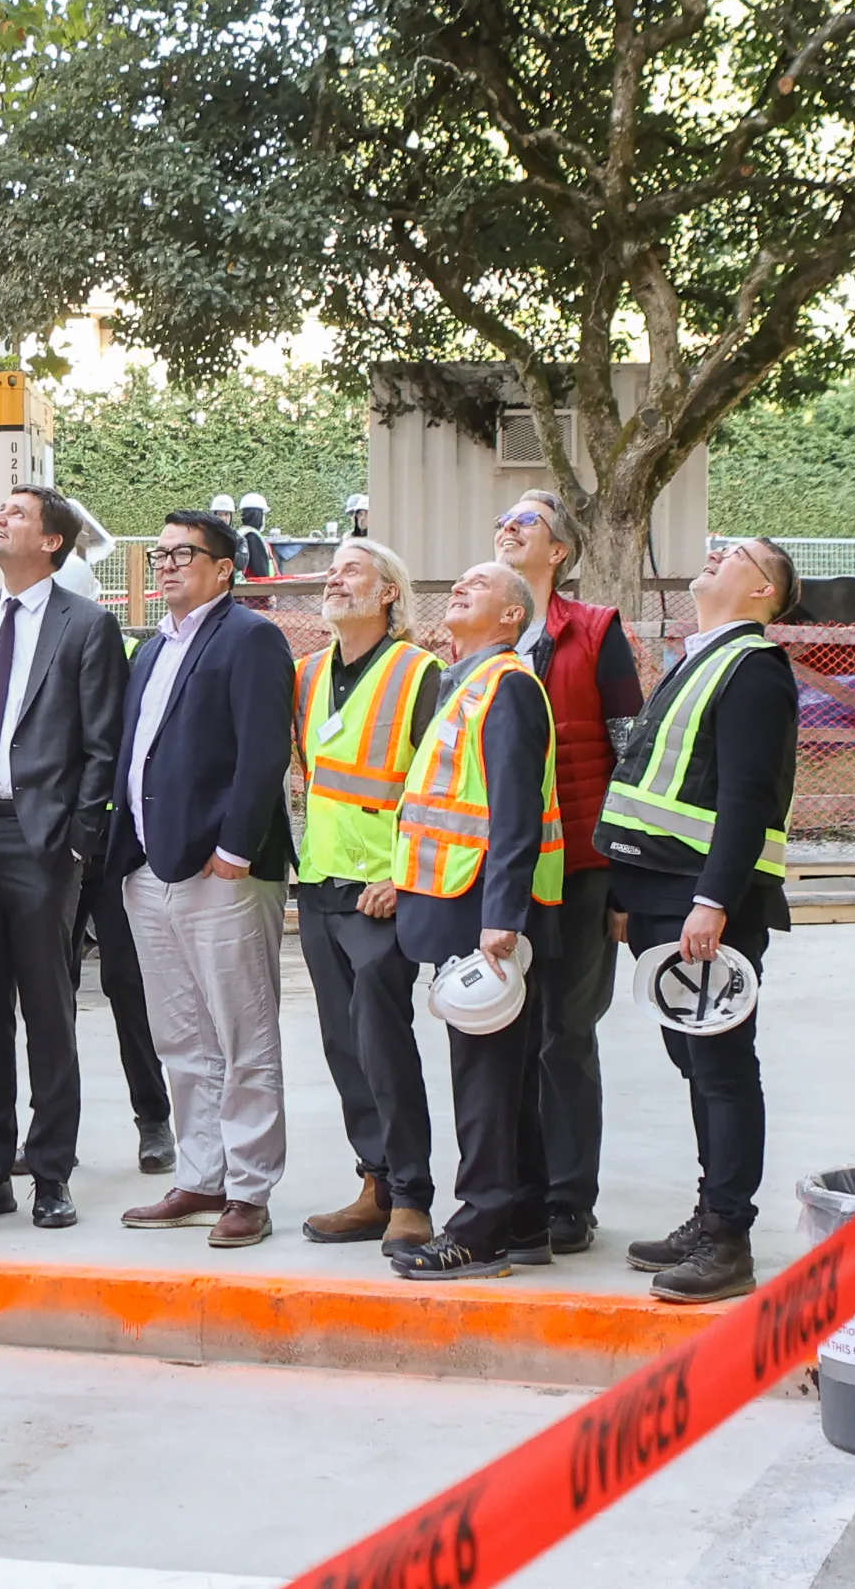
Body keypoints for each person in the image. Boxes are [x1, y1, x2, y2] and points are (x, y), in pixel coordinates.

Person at [600, 538, 800, 1304]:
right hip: (662, 899)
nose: (715, 553)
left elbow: (751, 797)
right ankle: (710, 1209)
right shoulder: (700, 657)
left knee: (720, 1066)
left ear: (764, 593)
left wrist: (713, 902)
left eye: (739, 554)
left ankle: (728, 1236)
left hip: (704, 905)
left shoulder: (754, 669)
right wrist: (629, 897)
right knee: (693, 1062)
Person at [0, 483, 128, 1229]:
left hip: (40, 839)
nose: (0, 517)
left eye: (16, 513)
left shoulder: (86, 625)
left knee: (48, 1015)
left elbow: (101, 745)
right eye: (1, 509)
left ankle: (51, 1170)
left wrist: (77, 839)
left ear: (52, 541)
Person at [112, 510, 296, 1249]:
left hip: (224, 868)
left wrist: (237, 848)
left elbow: (261, 752)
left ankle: (249, 1189)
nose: (166, 565)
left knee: (243, 1032)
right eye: (159, 553)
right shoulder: (154, 648)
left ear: (226, 568)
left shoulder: (251, 638)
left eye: (183, 553)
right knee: (182, 1036)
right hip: (149, 868)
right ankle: (202, 1174)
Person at [387, 562, 564, 1280]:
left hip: (485, 915)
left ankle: (480, 1227)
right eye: (457, 581)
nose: (459, 586)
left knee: (486, 1076)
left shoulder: (509, 686)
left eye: (480, 585)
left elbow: (515, 809)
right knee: (504, 1074)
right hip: (459, 903)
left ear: (512, 617)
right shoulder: (467, 681)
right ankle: (524, 1218)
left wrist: (502, 919)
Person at [492, 489, 646, 1255]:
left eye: (525, 521)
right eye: (502, 521)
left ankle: (567, 1199)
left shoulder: (595, 632)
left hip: (580, 866)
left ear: (559, 552)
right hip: (500, 871)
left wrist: (624, 877)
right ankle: (514, 1188)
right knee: (502, 1033)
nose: (506, 528)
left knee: (564, 1035)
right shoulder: (480, 638)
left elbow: (631, 753)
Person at [291, 540, 443, 1250]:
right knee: (343, 1044)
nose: (334, 577)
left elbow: (441, 790)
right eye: (334, 569)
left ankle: (412, 1193)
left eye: (351, 569)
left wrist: (405, 877)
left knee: (384, 1043)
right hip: (322, 883)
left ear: (389, 592)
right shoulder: (307, 674)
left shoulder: (421, 674)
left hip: (382, 892)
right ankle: (375, 1181)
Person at [53, 538, 175, 1174]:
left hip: (112, 847)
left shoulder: (130, 653)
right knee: (53, 991)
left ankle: (153, 1119)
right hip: (55, 845)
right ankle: (52, 1135)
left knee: (128, 984)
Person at [234, 493, 275, 580]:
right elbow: (261, 569)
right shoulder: (252, 537)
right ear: (258, 515)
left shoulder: (242, 532)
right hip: (255, 589)